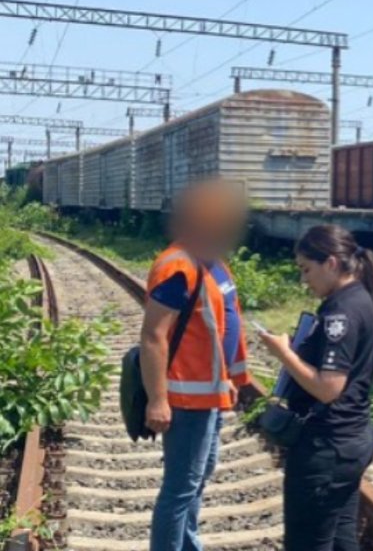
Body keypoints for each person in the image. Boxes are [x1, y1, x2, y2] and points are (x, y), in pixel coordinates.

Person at [258, 225, 373, 551]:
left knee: (308, 543)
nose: (304, 280)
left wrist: (284, 353)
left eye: (307, 269)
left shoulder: (341, 312)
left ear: (331, 263)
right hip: (351, 438)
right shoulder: (360, 298)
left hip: (327, 446)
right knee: (339, 540)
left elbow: (328, 388)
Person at [143, 179, 253, 551]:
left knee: (197, 480)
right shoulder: (178, 266)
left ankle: (189, 545)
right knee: (180, 489)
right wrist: (157, 400)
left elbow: (222, 326)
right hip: (186, 398)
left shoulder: (214, 264)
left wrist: (230, 378)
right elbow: (153, 336)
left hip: (212, 392)